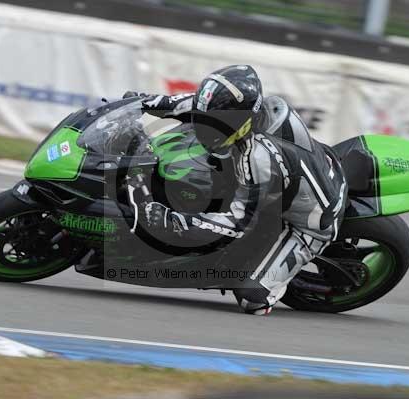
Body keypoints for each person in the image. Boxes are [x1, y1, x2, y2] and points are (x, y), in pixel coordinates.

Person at [127, 65, 347, 315]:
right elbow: (189, 105)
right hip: (290, 182)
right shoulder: (255, 112)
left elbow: (233, 223)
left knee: (252, 299)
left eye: (215, 122)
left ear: (239, 122)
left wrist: (167, 220)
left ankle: (278, 278)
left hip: (311, 221)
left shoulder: (258, 157)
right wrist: (141, 103)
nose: (203, 125)